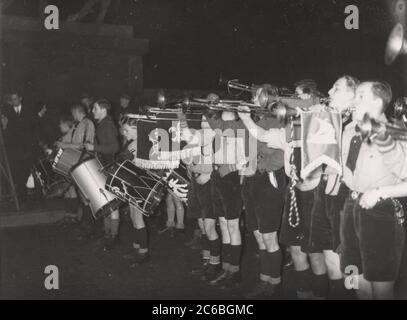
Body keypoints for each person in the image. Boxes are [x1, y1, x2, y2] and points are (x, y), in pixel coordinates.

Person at [238, 80, 330, 299]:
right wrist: (245, 118)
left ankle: (320, 295)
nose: (291, 100)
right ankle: (302, 293)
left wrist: (315, 107)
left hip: (314, 193)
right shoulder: (289, 128)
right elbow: (261, 136)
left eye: (298, 96)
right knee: (296, 249)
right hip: (294, 190)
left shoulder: (322, 122)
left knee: (315, 253)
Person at [340, 81, 406, 300]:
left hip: (380, 210)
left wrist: (381, 192)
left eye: (360, 96)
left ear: (377, 102)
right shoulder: (349, 129)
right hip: (350, 205)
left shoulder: (395, 131)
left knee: (381, 284)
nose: (353, 101)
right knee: (351, 274)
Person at [237, 84, 287, 299]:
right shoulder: (256, 120)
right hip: (252, 180)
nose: (253, 99)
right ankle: (265, 279)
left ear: (269, 98)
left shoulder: (278, 118)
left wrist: (247, 120)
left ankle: (273, 284)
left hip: (269, 179)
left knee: (269, 236)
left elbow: (271, 149)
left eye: (257, 96)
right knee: (258, 235)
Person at [178, 105, 222, 281]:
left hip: (210, 183)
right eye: (202, 121)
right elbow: (186, 154)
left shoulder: (217, 136)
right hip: (196, 182)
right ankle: (206, 261)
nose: (204, 124)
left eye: (207, 121)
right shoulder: (199, 136)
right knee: (202, 225)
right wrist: (189, 163)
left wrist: (208, 173)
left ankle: (215, 264)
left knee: (210, 226)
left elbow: (223, 161)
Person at [84, 99, 120, 250]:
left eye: (95, 108)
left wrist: (94, 147)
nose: (93, 111)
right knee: (106, 202)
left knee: (112, 204)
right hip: (105, 167)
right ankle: (108, 234)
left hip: (110, 167)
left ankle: (113, 236)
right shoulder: (103, 124)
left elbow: (114, 147)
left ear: (103, 110)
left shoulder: (108, 125)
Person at [119, 117, 151, 266]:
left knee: (138, 218)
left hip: (140, 184)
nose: (124, 133)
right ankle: (137, 247)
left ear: (136, 128)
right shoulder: (135, 142)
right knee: (134, 216)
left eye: (127, 130)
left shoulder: (139, 143)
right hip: (135, 183)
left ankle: (143, 252)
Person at [1, 91, 39, 201]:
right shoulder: (7, 112)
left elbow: (34, 128)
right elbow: (6, 130)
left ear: (20, 98)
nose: (14, 101)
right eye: (12, 99)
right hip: (15, 148)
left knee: (29, 170)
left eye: (16, 99)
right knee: (18, 172)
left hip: (28, 146)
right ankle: (22, 196)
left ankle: (37, 195)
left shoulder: (29, 110)